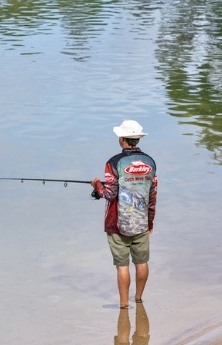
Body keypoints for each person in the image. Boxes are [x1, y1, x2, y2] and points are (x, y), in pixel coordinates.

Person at [91, 119, 158, 309]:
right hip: (141, 221)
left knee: (122, 265)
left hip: (117, 224)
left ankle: (123, 305)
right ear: (137, 139)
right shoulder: (150, 162)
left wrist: (96, 184)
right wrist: (150, 222)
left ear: (122, 139)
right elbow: (153, 194)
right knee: (142, 261)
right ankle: (138, 298)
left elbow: (109, 193)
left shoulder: (114, 162)